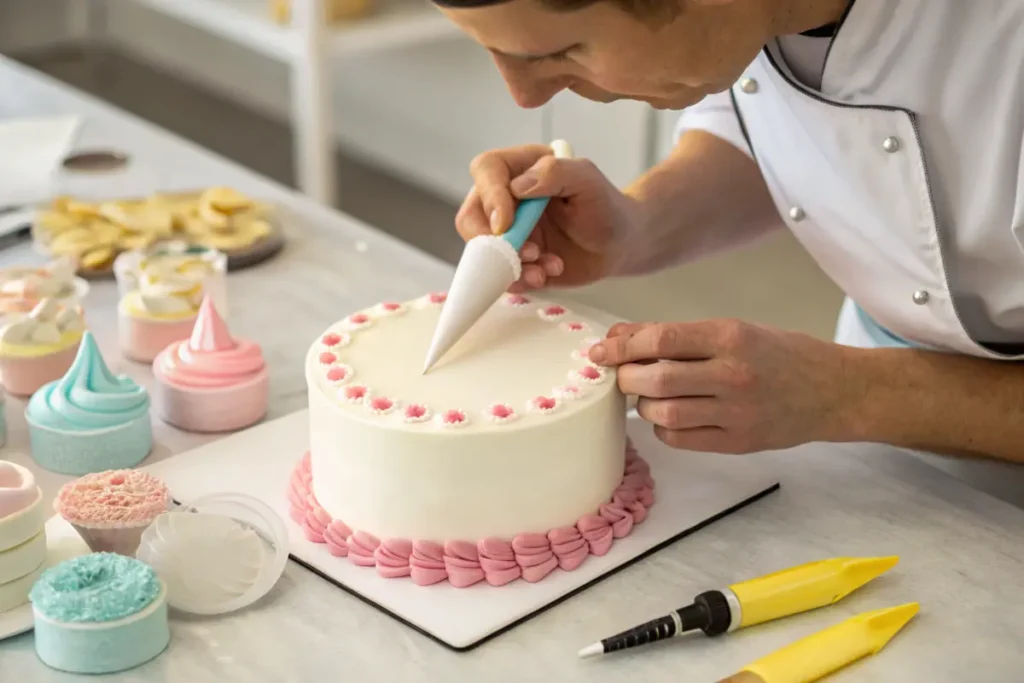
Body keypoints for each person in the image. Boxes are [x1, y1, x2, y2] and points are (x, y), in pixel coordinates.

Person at [434, 0, 1024, 504]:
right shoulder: (744, 23)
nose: (522, 95)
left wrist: (852, 393)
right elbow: (779, 134)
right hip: (886, 438)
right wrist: (639, 225)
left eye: (558, 52)